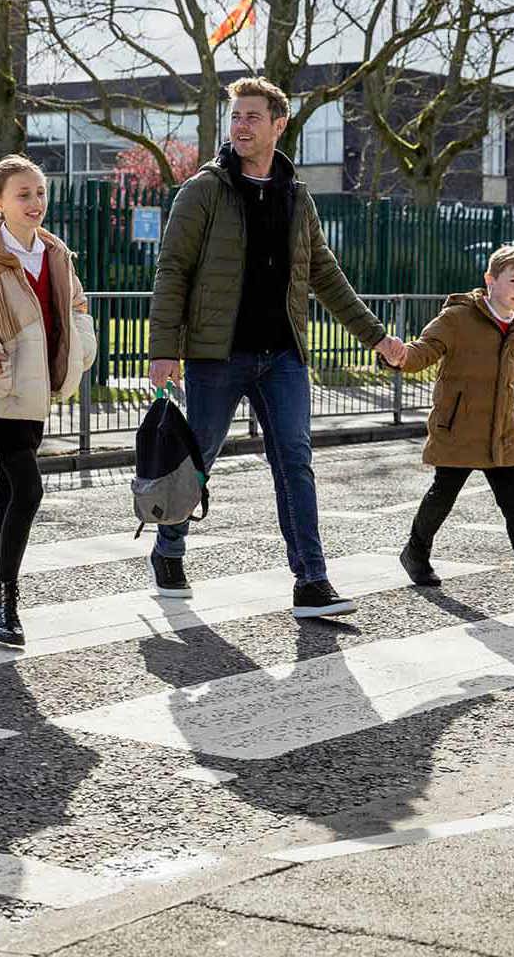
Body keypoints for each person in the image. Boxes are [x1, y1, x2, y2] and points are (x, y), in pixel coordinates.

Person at [147, 76, 407, 619]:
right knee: (200, 458)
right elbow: (173, 269)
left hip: (283, 356)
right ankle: (169, 546)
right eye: (235, 116)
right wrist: (162, 348)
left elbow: (325, 275)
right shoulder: (205, 190)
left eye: (252, 117)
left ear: (278, 125)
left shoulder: (295, 194)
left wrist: (376, 335)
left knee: (295, 461)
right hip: (218, 356)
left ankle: (311, 580)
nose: (240, 125)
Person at [0, 156, 97, 646]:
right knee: (28, 490)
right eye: (23, 194)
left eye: (40, 192)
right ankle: (5, 602)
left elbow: (77, 305)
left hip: (38, 389)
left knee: (7, 494)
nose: (35, 203)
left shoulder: (54, 251)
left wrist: (81, 349)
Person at [393, 245, 514, 605]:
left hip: (503, 432)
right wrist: (400, 356)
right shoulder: (457, 318)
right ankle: (415, 553)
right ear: (490, 280)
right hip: (459, 428)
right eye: (513, 280)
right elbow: (423, 352)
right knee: (443, 496)